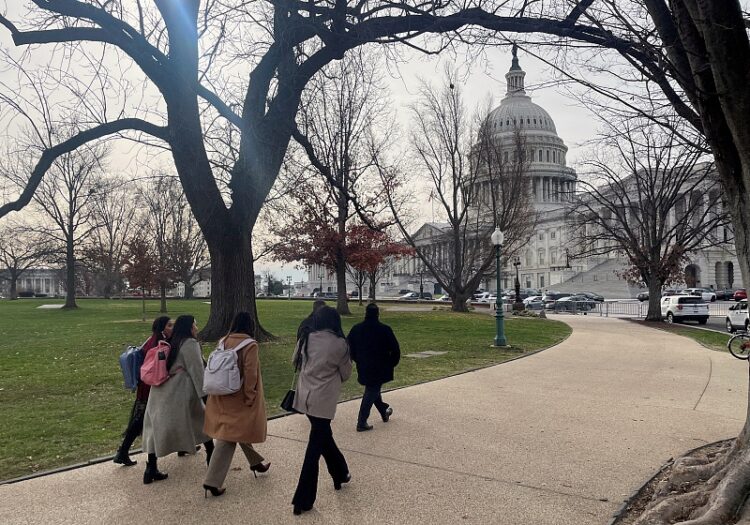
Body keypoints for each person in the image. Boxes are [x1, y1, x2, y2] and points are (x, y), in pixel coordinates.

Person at [291, 306, 352, 515]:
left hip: (305, 397)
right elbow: (346, 374)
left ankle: (340, 473)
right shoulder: (340, 344)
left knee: (324, 438)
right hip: (323, 400)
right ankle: (303, 499)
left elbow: (295, 362)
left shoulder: (306, 338)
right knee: (314, 450)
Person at [202, 312, 270, 498]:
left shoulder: (223, 341)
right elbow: (251, 374)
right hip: (239, 396)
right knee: (228, 437)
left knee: (237, 430)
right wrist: (250, 396)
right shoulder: (250, 345)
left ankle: (255, 463)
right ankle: (212, 481)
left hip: (221, 393)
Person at [141, 315, 214, 485]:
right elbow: (197, 371)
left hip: (159, 392)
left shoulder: (172, 340)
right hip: (179, 392)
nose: (196, 328)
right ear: (189, 328)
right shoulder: (189, 344)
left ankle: (150, 468)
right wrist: (206, 396)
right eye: (195, 325)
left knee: (155, 430)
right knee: (203, 422)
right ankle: (213, 459)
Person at [113, 316, 173, 466]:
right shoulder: (160, 344)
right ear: (162, 328)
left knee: (140, 419)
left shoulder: (151, 340)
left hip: (145, 385)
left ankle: (123, 451)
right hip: (151, 387)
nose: (172, 328)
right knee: (140, 420)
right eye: (169, 325)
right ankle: (123, 451)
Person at [347, 303, 400, 432]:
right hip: (381, 366)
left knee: (373, 388)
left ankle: (384, 411)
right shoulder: (385, 329)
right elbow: (395, 350)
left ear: (365, 313)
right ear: (378, 314)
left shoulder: (356, 329)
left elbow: (348, 347)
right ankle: (361, 421)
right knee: (372, 390)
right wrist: (391, 364)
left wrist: (357, 359)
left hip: (364, 365)